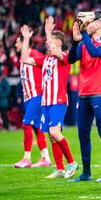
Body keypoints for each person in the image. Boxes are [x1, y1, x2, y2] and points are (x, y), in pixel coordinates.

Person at [19, 18, 77, 179]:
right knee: (51, 136)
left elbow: (56, 51)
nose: (47, 44)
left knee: (54, 132)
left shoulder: (64, 57)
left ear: (58, 44)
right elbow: (24, 59)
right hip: (46, 102)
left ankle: (71, 162)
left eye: (51, 42)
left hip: (58, 101)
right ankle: (59, 168)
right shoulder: (44, 60)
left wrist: (47, 33)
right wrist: (26, 39)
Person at [67, 13, 101, 183]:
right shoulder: (83, 44)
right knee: (82, 133)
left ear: (100, 25)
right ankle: (86, 173)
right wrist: (75, 41)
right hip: (83, 94)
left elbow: (95, 53)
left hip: (100, 93)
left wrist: (84, 35)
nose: (87, 23)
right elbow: (70, 59)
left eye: (91, 22)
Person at [13, 30, 51, 168]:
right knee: (37, 127)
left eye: (17, 42)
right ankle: (45, 157)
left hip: (37, 95)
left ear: (24, 43)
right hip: (29, 97)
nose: (15, 45)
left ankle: (27, 158)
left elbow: (47, 65)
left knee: (26, 123)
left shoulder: (35, 55)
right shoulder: (22, 58)